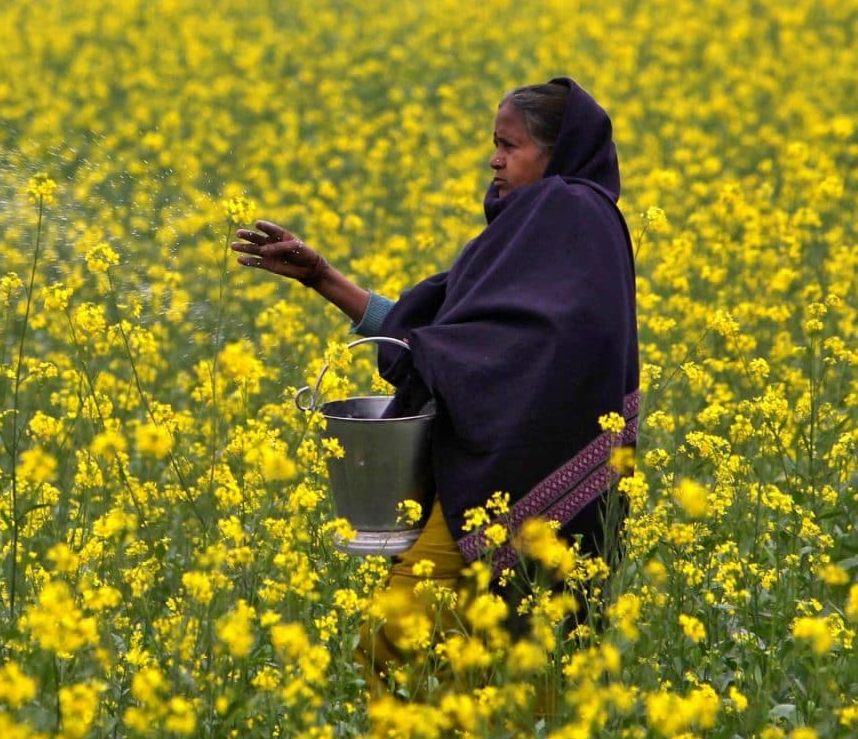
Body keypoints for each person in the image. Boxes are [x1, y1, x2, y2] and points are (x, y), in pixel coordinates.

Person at [232, 77, 640, 691]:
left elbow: (523, 347)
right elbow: (447, 328)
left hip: (516, 481)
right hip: (497, 476)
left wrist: (432, 353)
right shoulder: (542, 226)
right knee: (478, 665)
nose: (494, 159)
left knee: (402, 645)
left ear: (556, 154)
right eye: (494, 143)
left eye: (510, 145)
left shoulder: (568, 214)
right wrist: (321, 278)